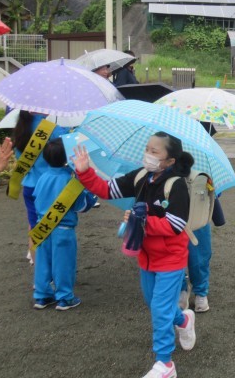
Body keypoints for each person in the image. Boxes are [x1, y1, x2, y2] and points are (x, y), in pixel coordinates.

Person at [72, 132, 196, 378]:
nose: (148, 154)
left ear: (170, 160)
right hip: (146, 256)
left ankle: (165, 364)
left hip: (171, 258)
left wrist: (143, 220)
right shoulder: (141, 176)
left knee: (159, 308)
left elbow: (176, 225)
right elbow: (107, 189)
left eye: (155, 151)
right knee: (155, 304)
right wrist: (85, 172)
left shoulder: (176, 185)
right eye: (147, 149)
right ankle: (183, 321)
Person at [31, 139, 96, 310]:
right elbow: (82, 206)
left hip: (43, 227)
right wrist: (91, 192)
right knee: (63, 264)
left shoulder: (42, 177)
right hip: (63, 229)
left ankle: (42, 296)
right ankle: (65, 297)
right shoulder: (69, 180)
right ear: (67, 157)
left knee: (42, 262)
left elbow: (35, 198)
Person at [12, 111, 69, 265]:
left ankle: (38, 271)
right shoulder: (51, 128)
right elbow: (67, 148)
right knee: (53, 227)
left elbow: (18, 157)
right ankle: (53, 268)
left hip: (29, 186)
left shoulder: (20, 128)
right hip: (51, 186)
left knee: (35, 226)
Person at [179, 198, 226, 313]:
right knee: (174, 255)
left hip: (199, 204)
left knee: (199, 256)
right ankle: (180, 289)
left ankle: (200, 292)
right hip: (171, 206)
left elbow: (215, 192)